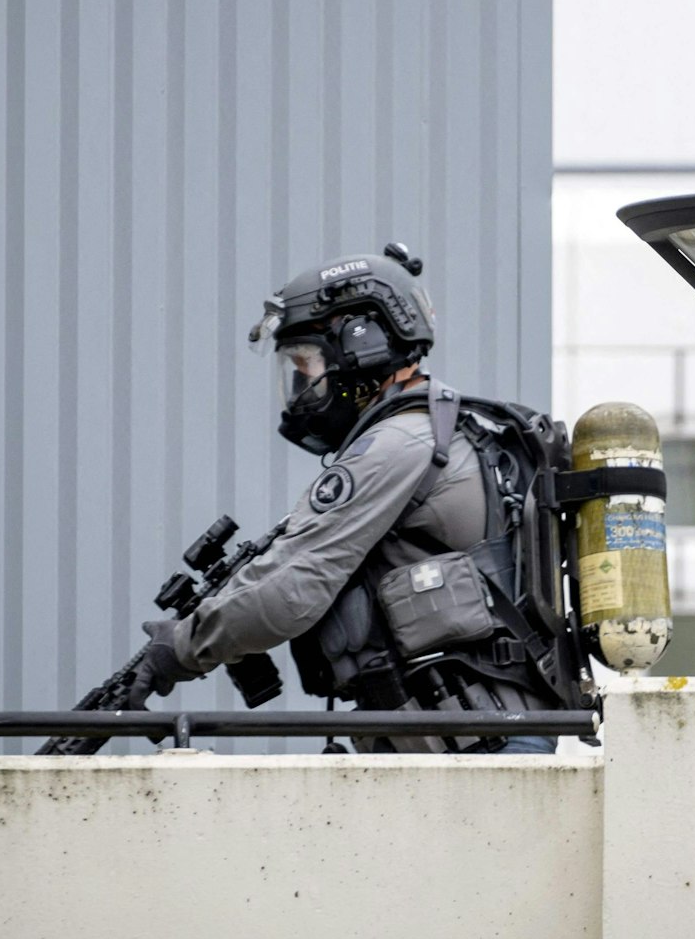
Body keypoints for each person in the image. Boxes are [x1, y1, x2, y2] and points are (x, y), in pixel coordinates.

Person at [123, 242, 568, 752]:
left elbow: (291, 590)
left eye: (305, 364)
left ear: (363, 345)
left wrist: (178, 649)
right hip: (475, 743)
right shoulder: (434, 435)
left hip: (474, 749)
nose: (298, 385)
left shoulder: (399, 445)